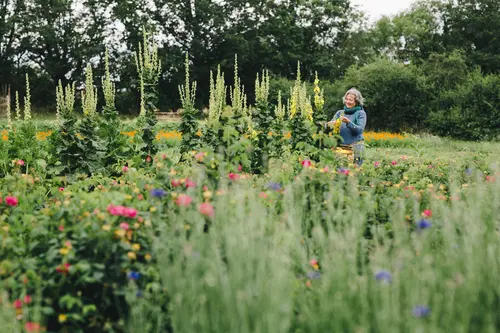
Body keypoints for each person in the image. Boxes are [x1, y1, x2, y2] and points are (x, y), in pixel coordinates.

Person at [326, 88, 367, 166]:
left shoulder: (361, 113)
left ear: (356, 102)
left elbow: (359, 130)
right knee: (339, 172)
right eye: (346, 99)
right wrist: (329, 125)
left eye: (350, 100)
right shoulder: (340, 113)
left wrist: (348, 122)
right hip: (340, 148)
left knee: (354, 173)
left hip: (355, 148)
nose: (347, 102)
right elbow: (330, 129)